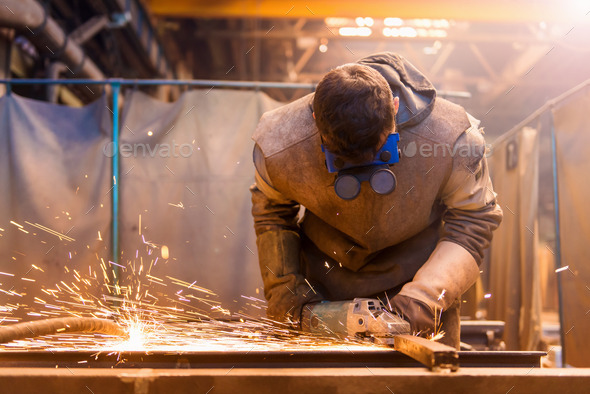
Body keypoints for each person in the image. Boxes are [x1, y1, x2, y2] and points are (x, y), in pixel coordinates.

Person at [250, 52, 502, 348]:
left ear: (395, 108)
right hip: (322, 288)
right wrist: (288, 297)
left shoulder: (454, 139)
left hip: (423, 288)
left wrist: (420, 302)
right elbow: (273, 214)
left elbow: (473, 220)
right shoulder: (279, 143)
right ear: (316, 120)